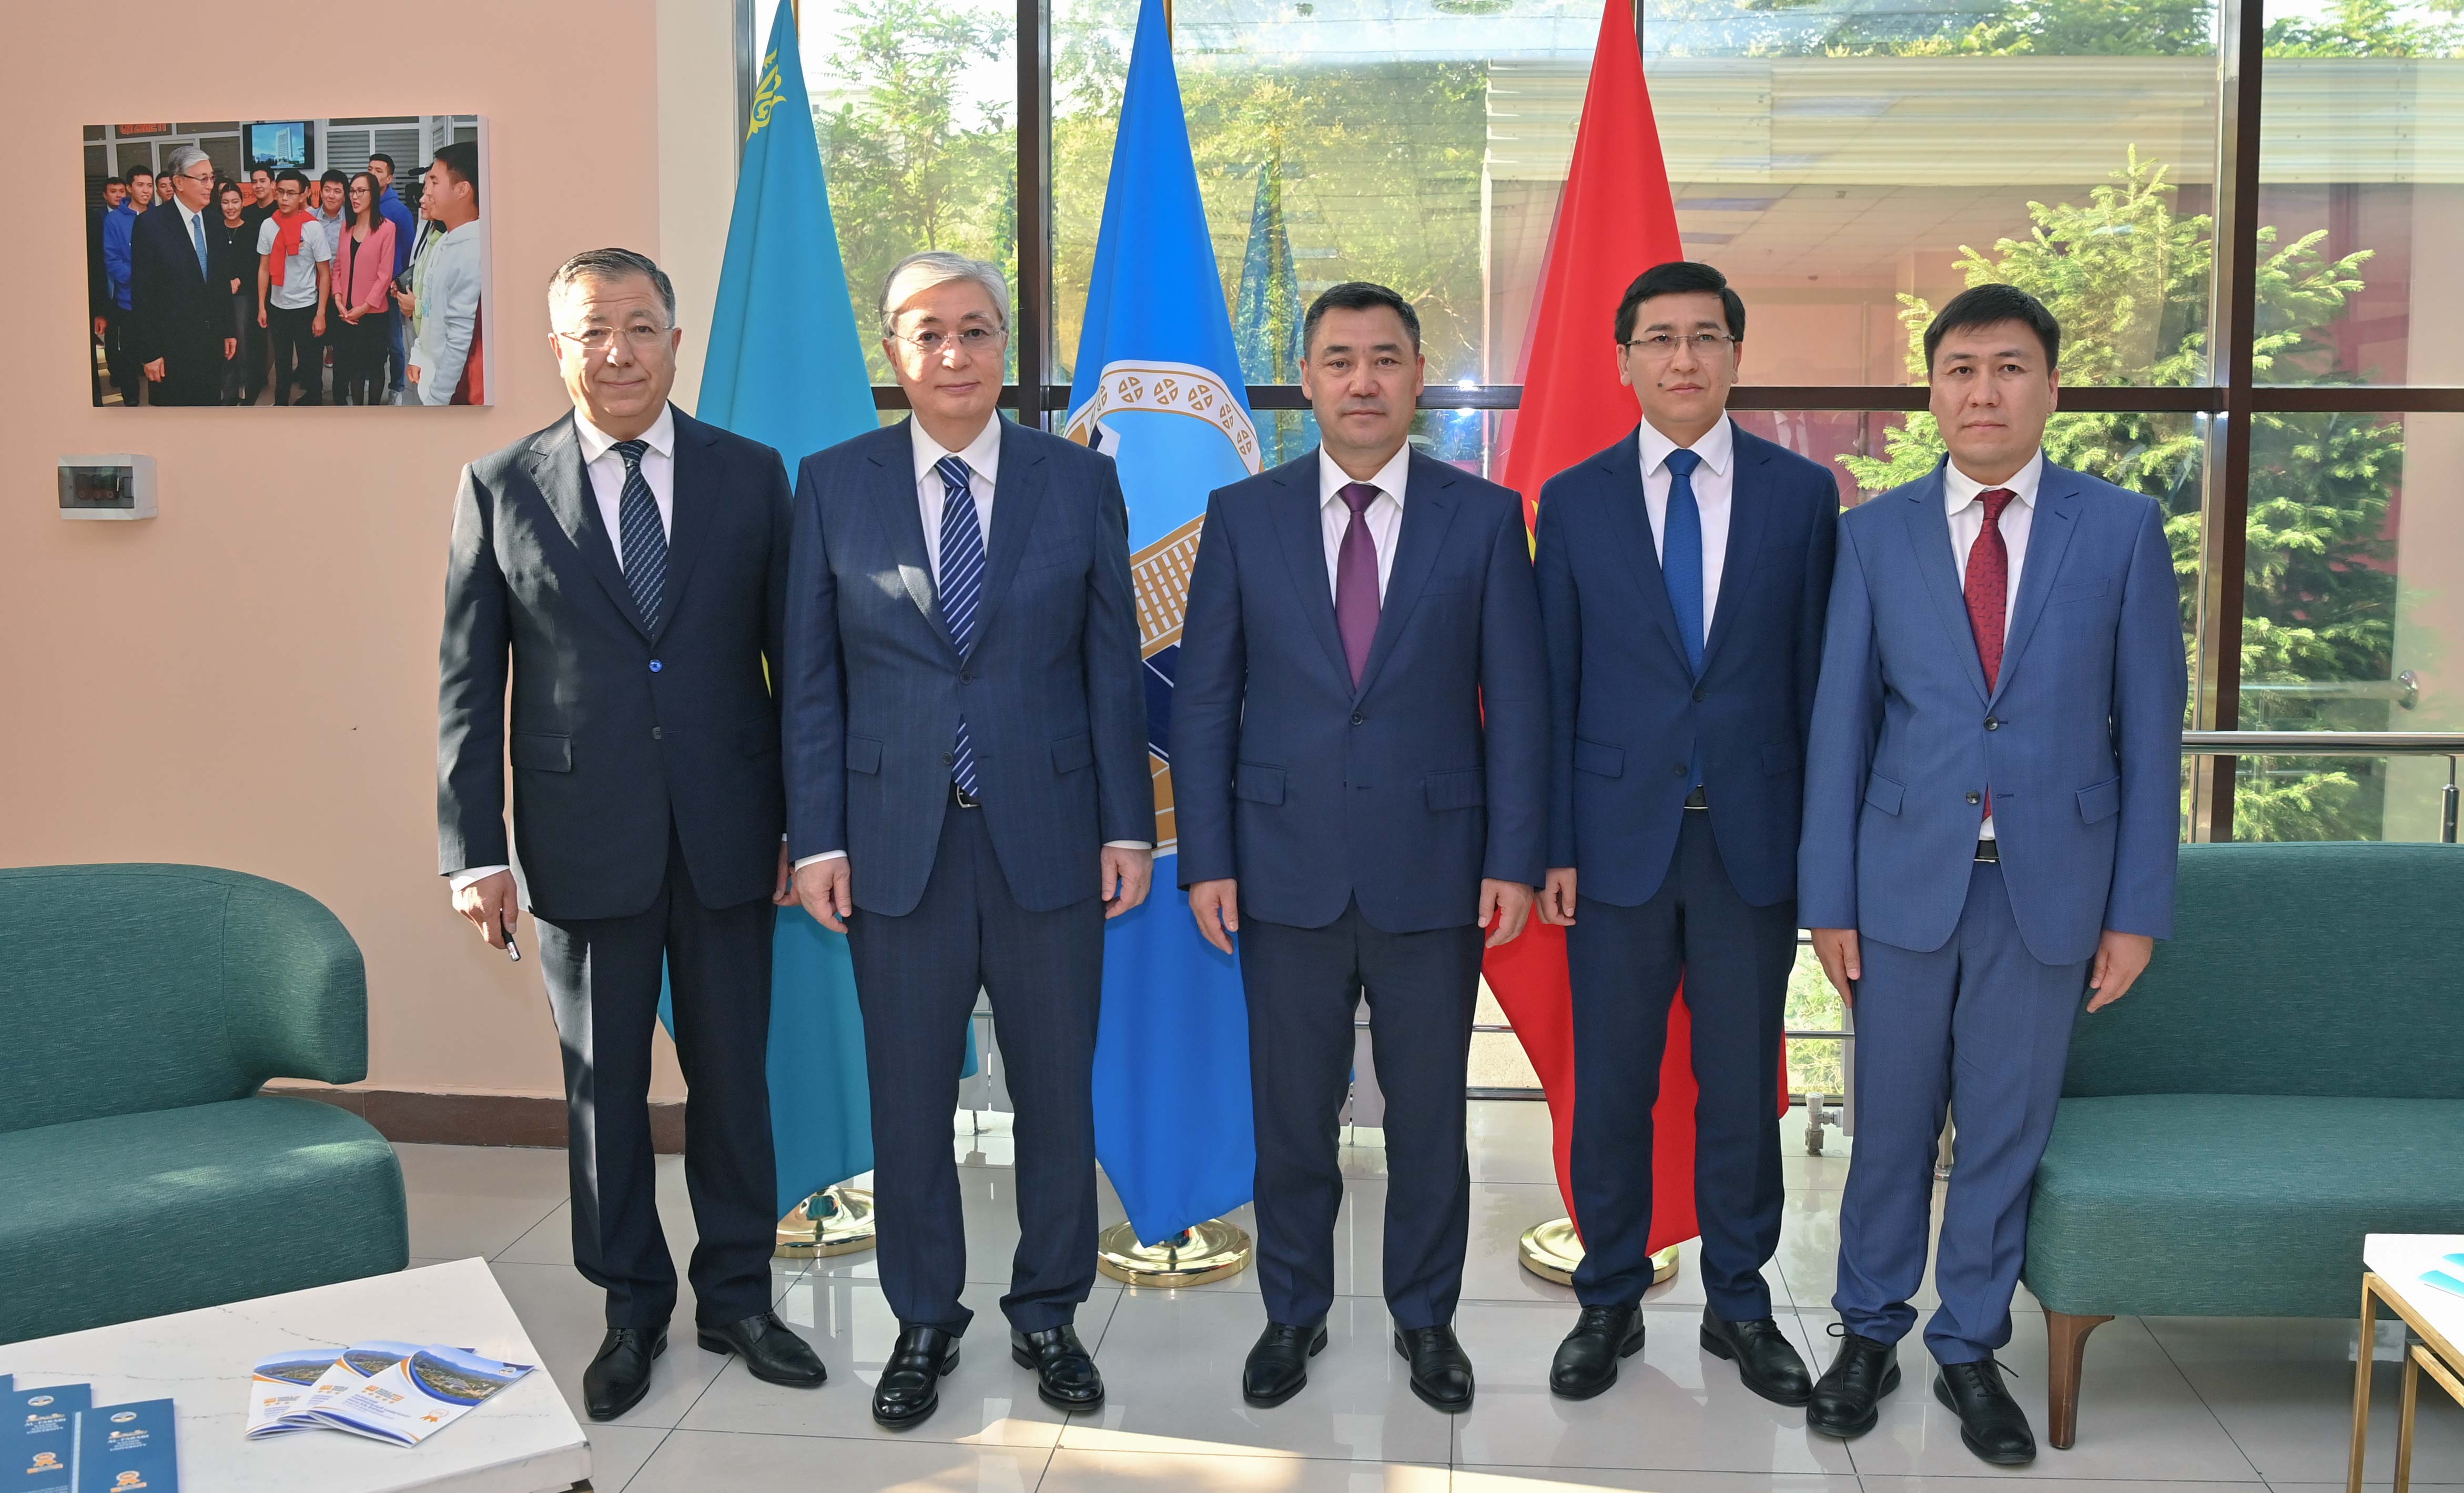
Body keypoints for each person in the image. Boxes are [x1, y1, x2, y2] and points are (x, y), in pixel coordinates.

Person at [1797, 283, 2185, 1465]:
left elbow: (2151, 730)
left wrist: (2135, 909)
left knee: (2004, 1130)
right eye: (1960, 369)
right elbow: (1840, 729)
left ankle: (1969, 1345)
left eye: (2008, 367)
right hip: (1900, 881)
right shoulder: (1872, 535)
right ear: (1932, 390)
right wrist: (1827, 902)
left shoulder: (2118, 529)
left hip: (2049, 888)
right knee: (1890, 1126)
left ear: (2050, 387)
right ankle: (1868, 1330)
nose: (1983, 391)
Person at [438, 246, 824, 1422]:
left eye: (641, 327)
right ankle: (631, 1307)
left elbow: (798, 669)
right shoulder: (500, 483)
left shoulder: (750, 475)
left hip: (729, 834)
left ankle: (737, 1296)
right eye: (592, 330)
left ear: (675, 340)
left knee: (733, 1082)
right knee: (602, 1090)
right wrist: (476, 852)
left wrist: (805, 826)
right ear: (558, 348)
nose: (618, 352)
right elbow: (469, 684)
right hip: (580, 836)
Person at [783, 251, 1151, 1430]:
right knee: (907, 1105)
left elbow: (1110, 667)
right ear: (893, 351)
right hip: (894, 847)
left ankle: (1048, 1313)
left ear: (1006, 346)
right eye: (928, 332)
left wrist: (1129, 827)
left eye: (977, 330)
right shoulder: (832, 483)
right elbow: (811, 684)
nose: (954, 353)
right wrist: (816, 838)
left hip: (1051, 839)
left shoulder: (1075, 481)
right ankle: (923, 1319)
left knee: (1055, 1098)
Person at [1174, 281, 1548, 1415]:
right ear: (1307, 380)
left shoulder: (1483, 517)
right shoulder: (1243, 515)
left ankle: (1425, 1318)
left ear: (1418, 376)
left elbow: (1517, 703)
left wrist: (1513, 857)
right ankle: (1292, 1312)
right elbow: (1205, 701)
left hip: (1437, 870)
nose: (1363, 380)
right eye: (1339, 360)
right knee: (1291, 1117)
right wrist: (1207, 858)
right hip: (1277, 867)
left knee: (1428, 1118)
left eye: (1385, 358)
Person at [1529, 261, 1837, 1406]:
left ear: (1735, 356)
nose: (1682, 358)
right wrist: (1551, 844)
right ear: (1623, 361)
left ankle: (1740, 1303)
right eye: (1657, 338)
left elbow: (1819, 686)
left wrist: (1820, 852)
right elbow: (1550, 685)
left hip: (1750, 844)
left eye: (1704, 336)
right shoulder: (1574, 500)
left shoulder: (1801, 497)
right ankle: (1608, 1295)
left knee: (1739, 1086)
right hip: (1612, 845)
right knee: (1611, 1084)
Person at [127, 146, 237, 407]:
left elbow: (220, 283)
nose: (210, 185)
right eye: (202, 178)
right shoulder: (151, 225)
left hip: (210, 345)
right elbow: (143, 294)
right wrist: (150, 353)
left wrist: (228, 330)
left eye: (212, 178)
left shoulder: (214, 222)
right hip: (171, 350)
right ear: (178, 182)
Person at [404, 143, 481, 405]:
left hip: (449, 393)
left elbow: (460, 339)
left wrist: (439, 399)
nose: (426, 192)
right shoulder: (446, 241)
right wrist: (419, 354)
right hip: (430, 376)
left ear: (462, 190)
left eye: (434, 183)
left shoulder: (473, 251)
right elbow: (429, 308)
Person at [256, 168, 330, 406]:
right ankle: (281, 404)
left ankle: (314, 401)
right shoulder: (268, 226)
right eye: (281, 192)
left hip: (307, 306)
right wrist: (262, 306)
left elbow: (324, 273)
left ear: (302, 195)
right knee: (282, 362)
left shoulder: (313, 228)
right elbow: (264, 269)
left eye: (291, 193)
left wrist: (321, 313)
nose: (285, 198)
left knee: (311, 362)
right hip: (278, 306)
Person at [328, 173, 396, 406]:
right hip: (347, 312)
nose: (354, 197)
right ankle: (357, 414)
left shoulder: (387, 229)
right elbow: (338, 267)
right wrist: (338, 298)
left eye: (361, 192)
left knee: (375, 367)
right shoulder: (347, 227)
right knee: (354, 367)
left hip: (373, 313)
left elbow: (385, 275)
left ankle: (373, 415)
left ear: (373, 195)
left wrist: (365, 307)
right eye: (352, 192)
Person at [369, 152, 417, 397]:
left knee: (395, 343)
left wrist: (399, 281)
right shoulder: (362, 205)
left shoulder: (399, 211)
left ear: (390, 178)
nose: (373, 174)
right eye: (370, 169)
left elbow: (409, 250)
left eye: (379, 171)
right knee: (371, 341)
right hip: (367, 286)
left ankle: (397, 387)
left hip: (391, 288)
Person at [207, 180, 259, 404]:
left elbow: (257, 264)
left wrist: (239, 280)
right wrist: (224, 282)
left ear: (243, 203)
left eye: (235, 202)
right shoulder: (213, 229)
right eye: (226, 202)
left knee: (243, 342)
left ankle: (247, 388)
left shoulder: (252, 229)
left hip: (244, 294)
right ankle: (228, 392)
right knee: (222, 342)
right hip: (218, 293)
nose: (231, 207)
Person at [101, 170, 147, 405]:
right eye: (140, 185)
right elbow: (111, 261)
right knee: (129, 354)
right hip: (128, 299)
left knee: (158, 351)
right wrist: (137, 277)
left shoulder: (159, 216)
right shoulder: (114, 220)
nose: (146, 190)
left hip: (157, 300)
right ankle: (131, 400)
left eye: (149, 185)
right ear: (130, 188)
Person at [87, 178, 123, 405]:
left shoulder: (132, 215)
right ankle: (115, 370)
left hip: (127, 284)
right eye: (113, 191)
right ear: (105, 195)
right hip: (107, 283)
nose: (118, 195)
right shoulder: (96, 219)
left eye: (121, 191)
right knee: (110, 332)